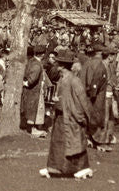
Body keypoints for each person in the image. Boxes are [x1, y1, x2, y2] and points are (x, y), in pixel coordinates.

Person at [40, 50, 93, 179]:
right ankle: (57, 167)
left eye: (58, 63)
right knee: (59, 142)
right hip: (60, 116)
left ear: (62, 66)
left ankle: (83, 168)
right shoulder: (63, 79)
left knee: (74, 142)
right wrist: (58, 101)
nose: (56, 65)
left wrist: (83, 118)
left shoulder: (74, 81)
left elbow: (82, 101)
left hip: (71, 117)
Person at [22, 45, 48, 137]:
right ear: (43, 54)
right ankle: (32, 129)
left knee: (31, 108)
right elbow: (33, 79)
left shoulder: (31, 61)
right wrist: (27, 83)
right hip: (34, 90)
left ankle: (32, 127)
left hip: (31, 90)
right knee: (34, 108)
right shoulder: (37, 64)